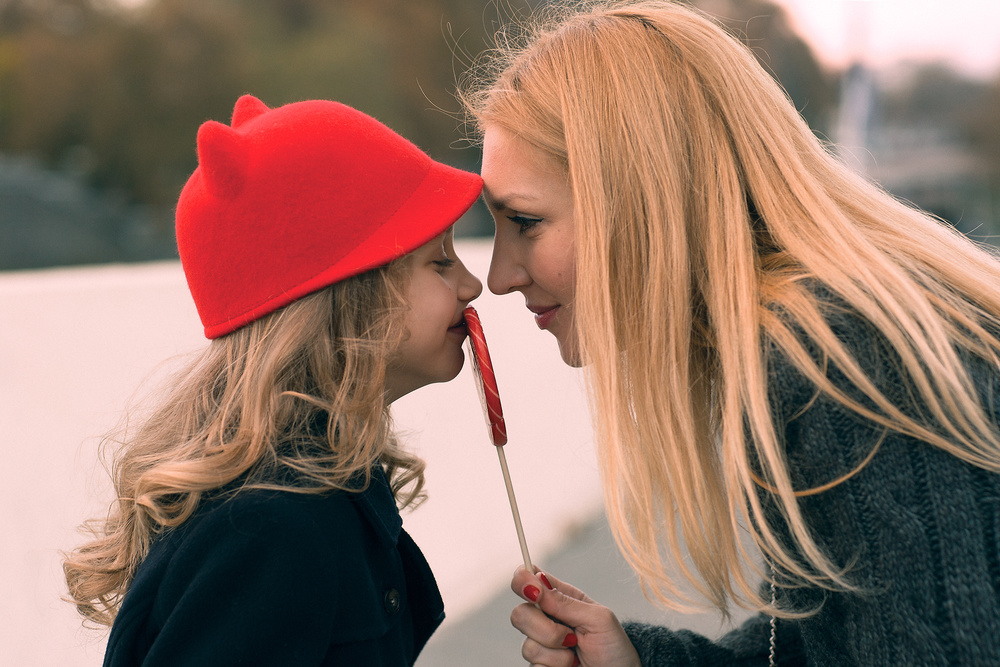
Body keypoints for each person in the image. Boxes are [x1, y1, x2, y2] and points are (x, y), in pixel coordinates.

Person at [461, 1, 1000, 665]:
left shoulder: (841, 358)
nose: (499, 276)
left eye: (526, 222)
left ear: (637, 197)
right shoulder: (806, 337)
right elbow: (824, 645)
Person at [62, 94, 483, 666]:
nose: (472, 286)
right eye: (439, 261)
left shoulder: (321, 492)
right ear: (349, 296)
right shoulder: (265, 533)